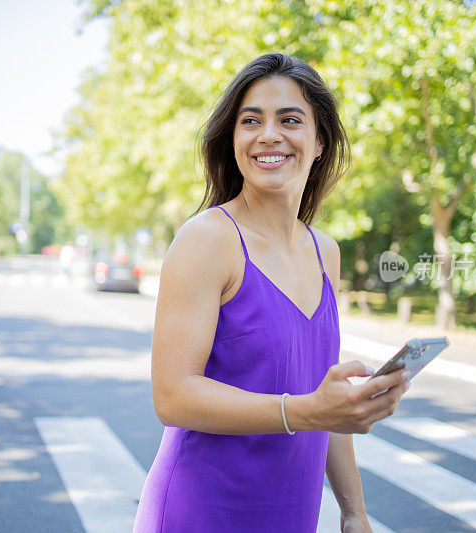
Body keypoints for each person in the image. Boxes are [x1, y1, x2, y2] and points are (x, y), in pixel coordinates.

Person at [133, 53, 409, 533]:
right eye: (251, 120)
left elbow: (326, 402)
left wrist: (354, 512)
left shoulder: (326, 252)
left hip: (290, 515)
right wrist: (305, 411)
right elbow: (172, 396)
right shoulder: (207, 240)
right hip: (202, 510)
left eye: (290, 120)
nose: (268, 135)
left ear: (319, 141)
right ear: (234, 139)